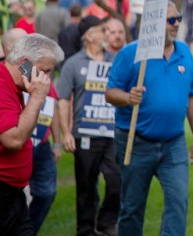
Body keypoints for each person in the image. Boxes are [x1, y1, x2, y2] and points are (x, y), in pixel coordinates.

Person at [105, 2, 193, 236]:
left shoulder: (184, 52)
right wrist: (129, 97)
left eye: (178, 18)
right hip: (136, 142)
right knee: (132, 207)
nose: (177, 23)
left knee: (178, 202)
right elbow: (110, 93)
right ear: (153, 24)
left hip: (174, 143)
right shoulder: (131, 53)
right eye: (171, 20)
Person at [57, 16, 120, 236]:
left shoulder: (116, 60)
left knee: (116, 180)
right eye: (102, 30)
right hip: (84, 134)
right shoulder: (72, 64)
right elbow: (63, 99)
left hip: (113, 133)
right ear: (89, 36)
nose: (107, 33)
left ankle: (106, 221)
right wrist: (66, 132)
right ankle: (85, 230)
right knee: (86, 187)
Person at [0, 34, 64, 235]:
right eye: (44, 71)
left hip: (14, 194)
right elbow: (14, 139)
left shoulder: (16, 86)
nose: (46, 78)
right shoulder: (2, 85)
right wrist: (37, 97)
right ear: (24, 64)